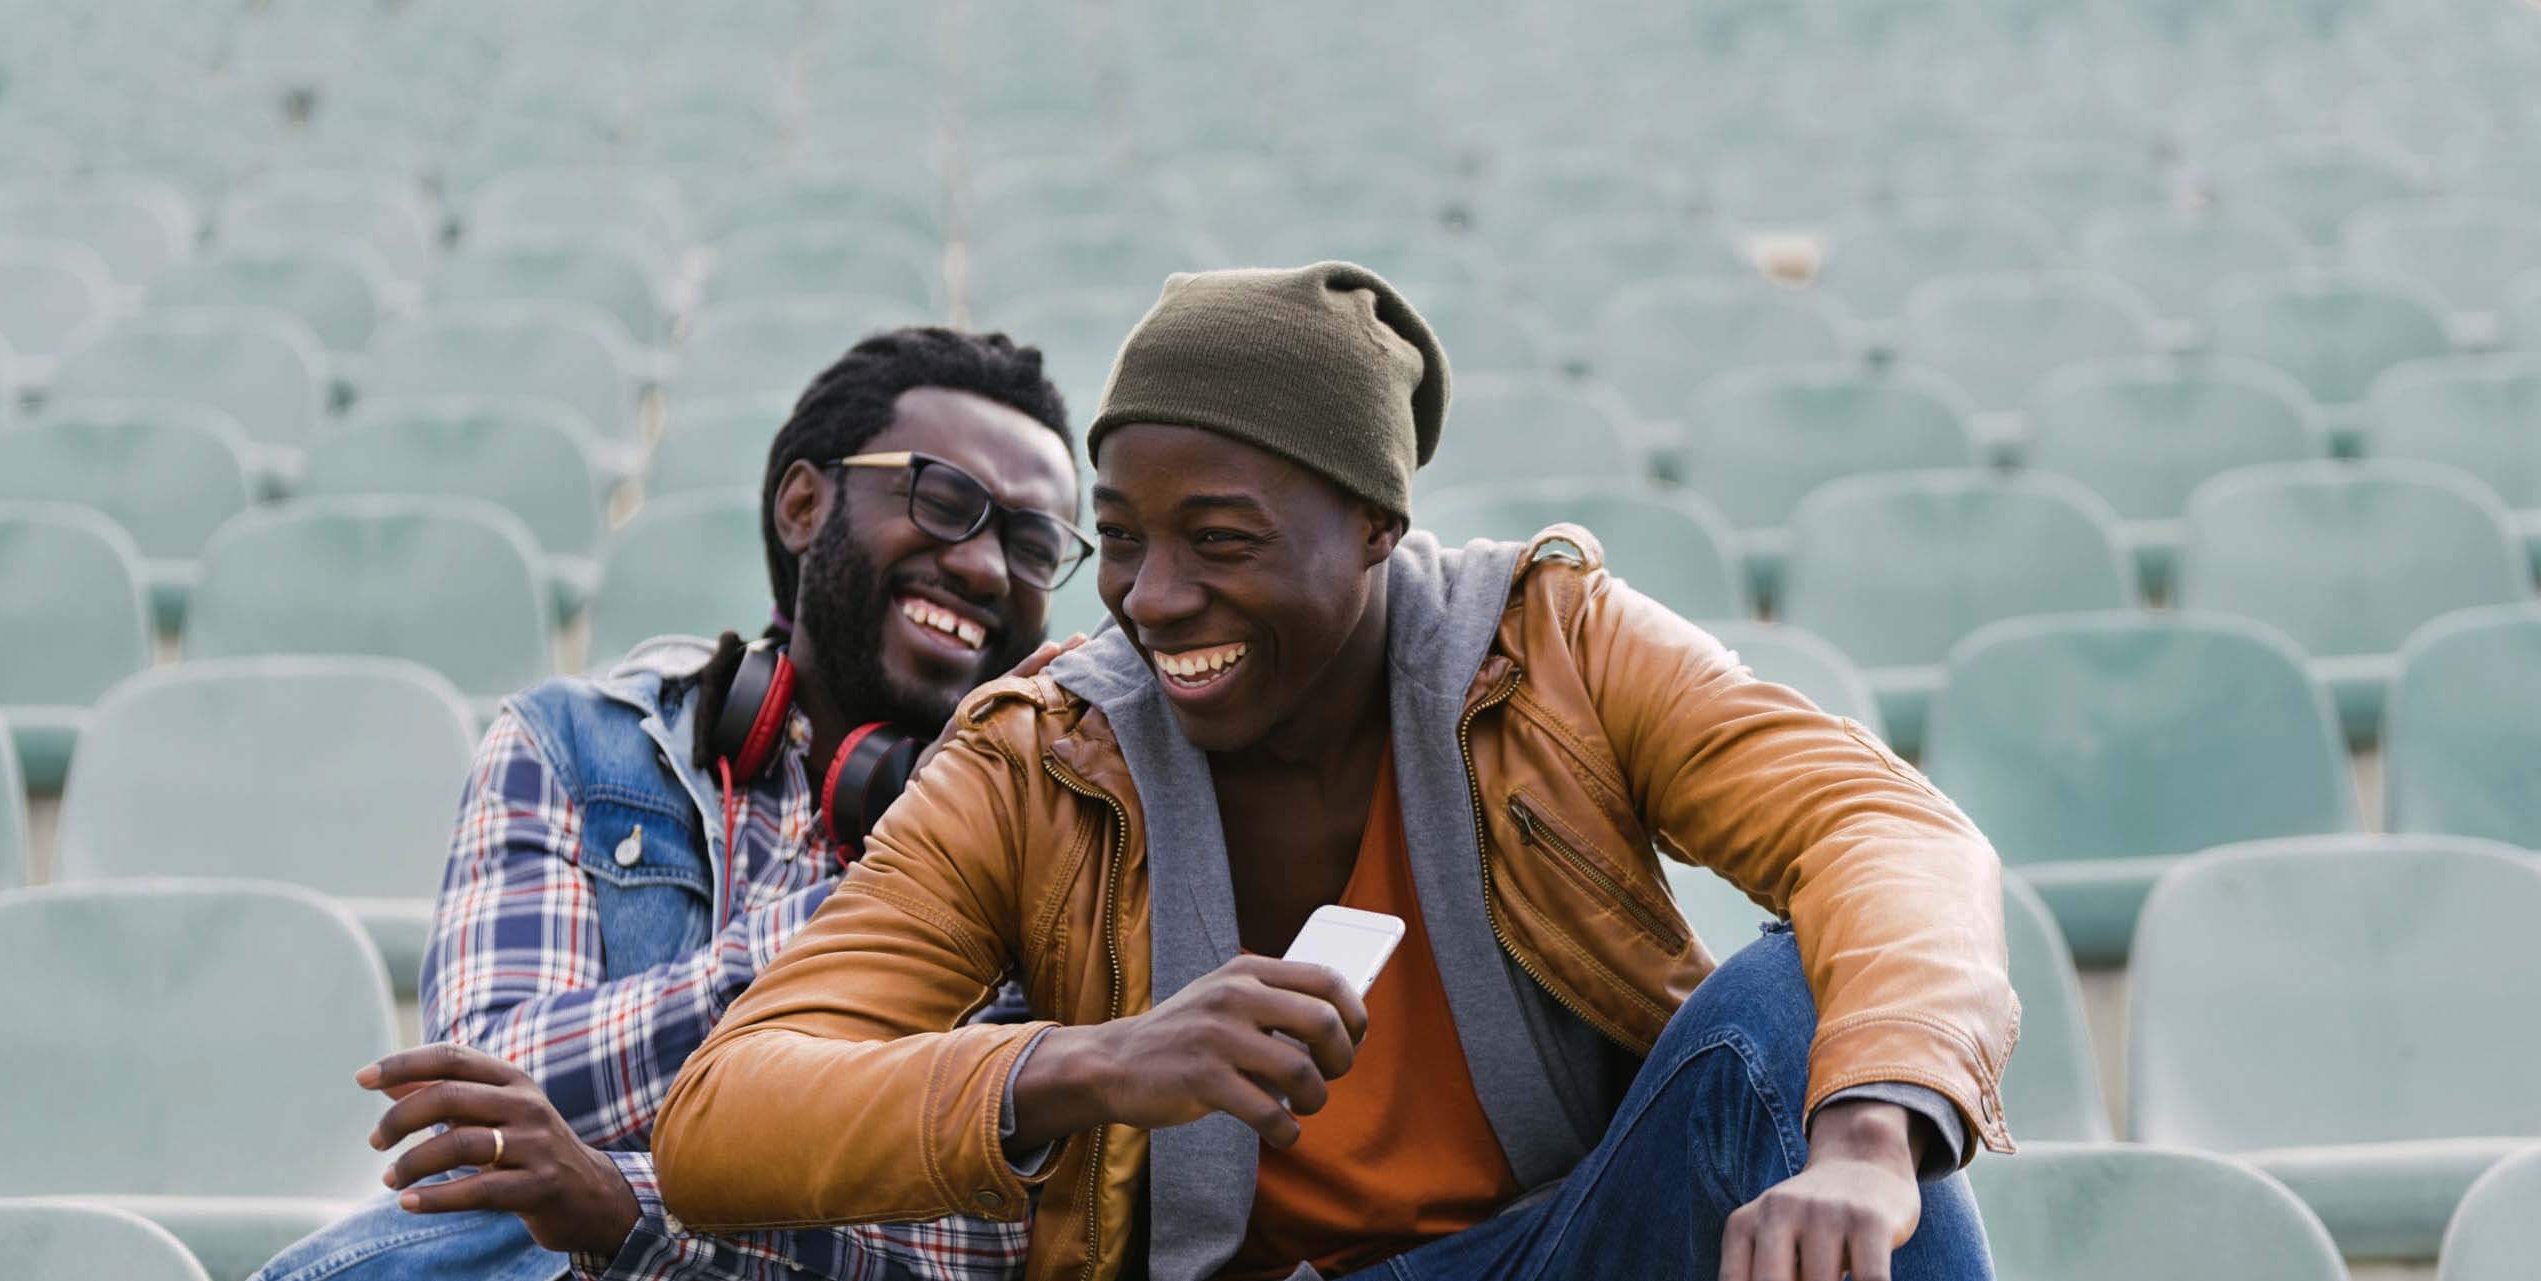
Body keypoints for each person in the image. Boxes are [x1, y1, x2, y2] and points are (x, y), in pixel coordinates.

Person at [648, 263, 2020, 1281]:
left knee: (1788, 1004)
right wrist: (1089, 1063)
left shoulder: (1551, 647)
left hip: (1560, 1248)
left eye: (1222, 540)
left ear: (1372, 527)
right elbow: (723, 1115)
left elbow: (1891, 834)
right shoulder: (1038, 751)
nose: (1154, 594)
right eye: (1120, 538)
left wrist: (1865, 1145)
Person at [257, 327, 1091, 1281]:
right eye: (944, 501)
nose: (986, 567)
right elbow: (471, 1115)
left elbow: (979, 1243)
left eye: (1032, 546)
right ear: (803, 503)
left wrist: (618, 1210)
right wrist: (869, 920)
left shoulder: (1044, 836)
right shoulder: (575, 743)